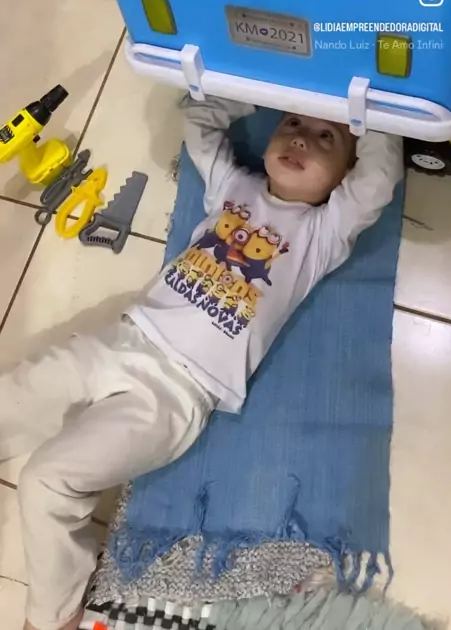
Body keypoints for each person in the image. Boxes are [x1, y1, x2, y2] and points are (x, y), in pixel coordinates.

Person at [0, 96, 403, 630]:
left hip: (175, 396)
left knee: (45, 480)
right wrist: (254, 90)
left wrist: (364, 109)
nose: (300, 137)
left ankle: (53, 616)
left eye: (325, 138)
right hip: (122, 341)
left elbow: (379, 175)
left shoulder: (323, 232)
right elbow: (200, 123)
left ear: (345, 174)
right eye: (292, 123)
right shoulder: (234, 188)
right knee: (21, 390)